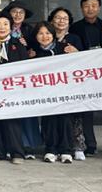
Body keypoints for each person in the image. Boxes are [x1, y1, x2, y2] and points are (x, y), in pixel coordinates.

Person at [69, 0, 102, 157]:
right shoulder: (75, 27)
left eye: (93, 5)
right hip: (84, 73)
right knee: (87, 109)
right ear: (81, 8)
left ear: (99, 8)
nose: (90, 9)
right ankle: (90, 144)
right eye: (86, 6)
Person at [0, 12, 28, 165]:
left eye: (5, 24)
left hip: (13, 90)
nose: (2, 27)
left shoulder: (18, 44)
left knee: (12, 123)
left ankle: (17, 153)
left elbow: (25, 67)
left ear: (11, 27)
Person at [32, 21, 75, 164]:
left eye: (48, 33)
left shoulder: (65, 48)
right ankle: (50, 149)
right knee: (49, 120)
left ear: (53, 34)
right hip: (45, 93)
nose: (44, 36)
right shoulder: (33, 53)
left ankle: (66, 150)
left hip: (64, 91)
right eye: (40, 33)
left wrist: (76, 53)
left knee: (65, 120)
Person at [49, 7, 86, 161]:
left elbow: (85, 60)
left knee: (72, 116)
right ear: (52, 21)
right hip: (49, 85)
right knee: (52, 117)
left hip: (70, 83)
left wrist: (77, 52)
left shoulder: (75, 38)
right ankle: (53, 147)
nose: (61, 21)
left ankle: (76, 146)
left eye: (65, 18)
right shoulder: (47, 37)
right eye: (58, 18)